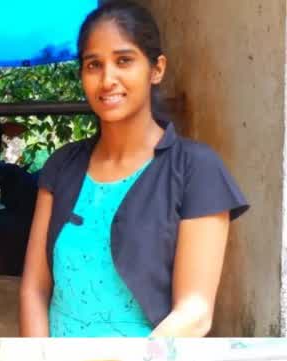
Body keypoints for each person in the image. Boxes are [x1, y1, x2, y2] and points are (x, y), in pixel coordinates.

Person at [19, 0, 247, 337]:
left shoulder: (195, 169)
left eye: (124, 60)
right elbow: (34, 290)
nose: (107, 79)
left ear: (156, 69)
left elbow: (195, 311)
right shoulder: (62, 166)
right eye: (93, 64)